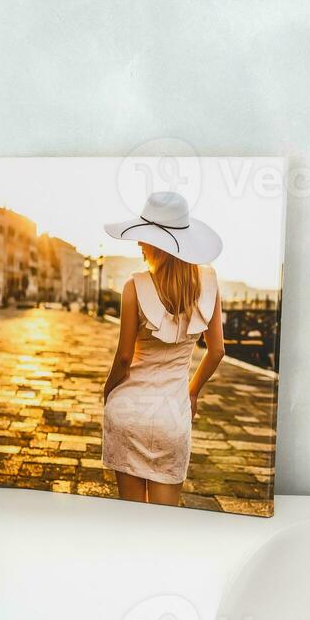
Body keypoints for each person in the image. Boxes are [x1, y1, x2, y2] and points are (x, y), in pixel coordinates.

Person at [101, 192, 228, 507]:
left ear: (157, 244)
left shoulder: (133, 287)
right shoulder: (208, 283)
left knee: (130, 518)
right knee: (165, 522)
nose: (139, 243)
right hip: (172, 414)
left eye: (144, 238)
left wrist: (108, 392)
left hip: (128, 410)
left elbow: (125, 357)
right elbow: (217, 351)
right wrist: (193, 391)